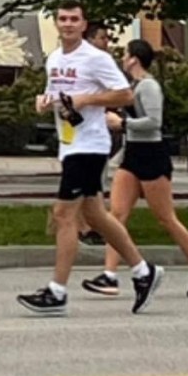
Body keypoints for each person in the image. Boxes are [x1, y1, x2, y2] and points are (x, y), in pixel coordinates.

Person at [18, 0, 163, 316]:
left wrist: (87, 99)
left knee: (63, 215)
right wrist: (45, 101)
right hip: (69, 143)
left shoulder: (96, 58)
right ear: (56, 23)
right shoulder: (55, 59)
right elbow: (58, 93)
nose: (68, 24)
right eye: (63, 19)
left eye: (74, 19)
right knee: (96, 216)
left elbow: (124, 94)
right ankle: (143, 271)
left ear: (84, 25)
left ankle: (57, 292)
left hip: (90, 145)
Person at [82, 38, 188, 299]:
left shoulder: (149, 86)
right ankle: (109, 275)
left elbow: (155, 122)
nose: (122, 59)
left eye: (126, 54)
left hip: (152, 155)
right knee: (116, 215)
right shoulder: (132, 86)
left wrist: (122, 124)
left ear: (134, 59)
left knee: (165, 217)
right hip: (132, 155)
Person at [77, 20, 121, 245]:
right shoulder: (82, 64)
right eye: (102, 38)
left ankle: (91, 225)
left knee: (96, 182)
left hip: (99, 132)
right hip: (82, 132)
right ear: (90, 39)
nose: (106, 42)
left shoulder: (103, 63)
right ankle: (85, 228)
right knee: (86, 182)